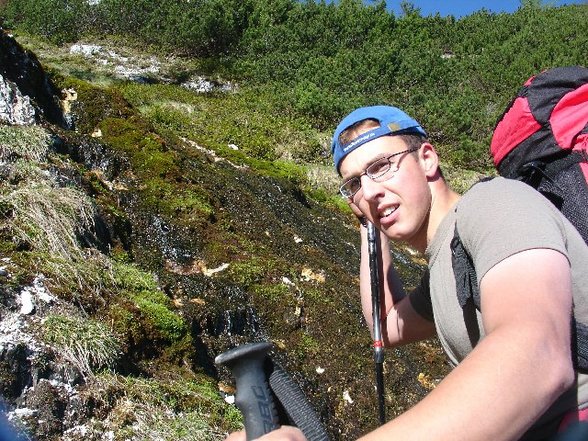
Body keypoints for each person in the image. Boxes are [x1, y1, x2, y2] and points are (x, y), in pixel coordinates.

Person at [226, 105, 588, 441]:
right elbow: (387, 326)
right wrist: (370, 231)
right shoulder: (447, 262)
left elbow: (537, 357)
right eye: (353, 184)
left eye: (381, 166)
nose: (368, 191)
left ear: (427, 159)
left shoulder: (494, 204)